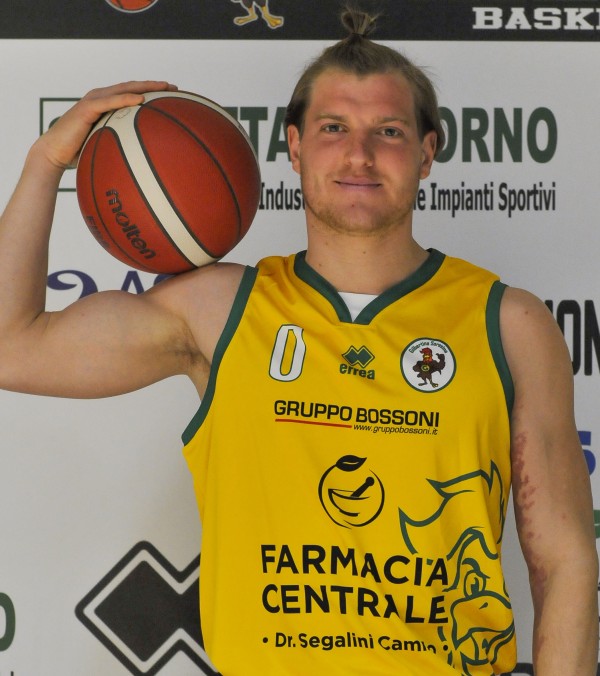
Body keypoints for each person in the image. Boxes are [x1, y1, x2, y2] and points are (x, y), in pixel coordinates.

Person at [0, 7, 597, 676]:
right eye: (333, 128)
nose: (359, 154)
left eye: (389, 131)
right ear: (294, 146)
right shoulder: (222, 310)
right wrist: (46, 162)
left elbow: (564, 563)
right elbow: (12, 348)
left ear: (427, 152)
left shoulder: (507, 323)